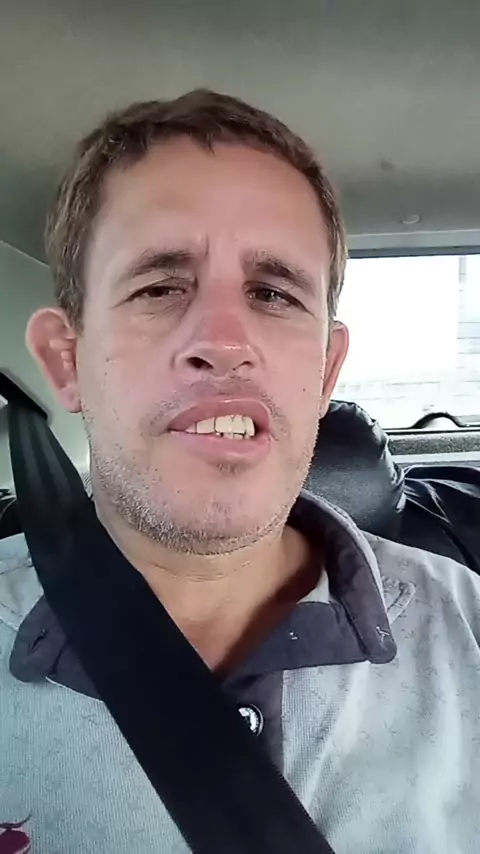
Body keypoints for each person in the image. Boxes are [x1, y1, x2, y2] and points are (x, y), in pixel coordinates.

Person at [0, 90, 479, 854]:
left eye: (272, 292)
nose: (224, 342)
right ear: (66, 361)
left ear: (326, 372)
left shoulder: (469, 634)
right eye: (160, 287)